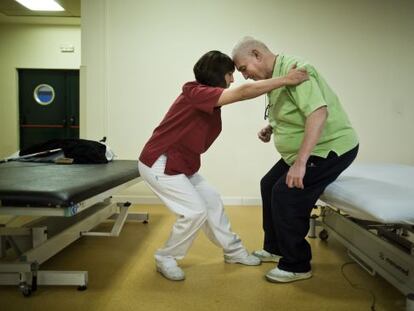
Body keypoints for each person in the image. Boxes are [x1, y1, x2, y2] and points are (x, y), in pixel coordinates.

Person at [138, 50, 308, 281]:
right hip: (159, 162)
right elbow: (244, 92)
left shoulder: (206, 97)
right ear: (219, 74)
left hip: (180, 164)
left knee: (212, 201)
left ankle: (234, 252)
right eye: (230, 74)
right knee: (194, 212)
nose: (233, 79)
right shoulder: (195, 92)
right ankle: (166, 257)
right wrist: (286, 79)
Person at [232, 37, 359, 283]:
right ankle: (275, 247)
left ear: (257, 54)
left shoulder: (297, 69)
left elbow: (317, 113)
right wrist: (272, 126)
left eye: (244, 69)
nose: (245, 77)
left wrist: (301, 164)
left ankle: (297, 264)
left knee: (285, 192)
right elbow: (292, 108)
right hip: (307, 148)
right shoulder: (277, 76)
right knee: (268, 184)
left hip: (330, 148)